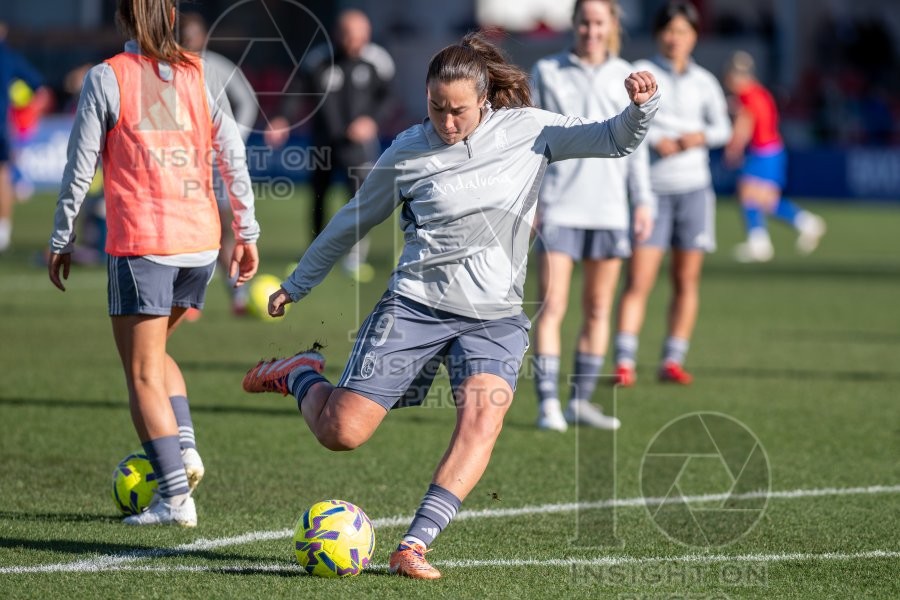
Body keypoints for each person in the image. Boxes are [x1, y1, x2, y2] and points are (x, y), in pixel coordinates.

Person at [242, 32, 658, 579]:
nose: (446, 121)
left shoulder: (529, 130)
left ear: (485, 100)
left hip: (496, 317)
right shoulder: (408, 151)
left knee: (482, 419)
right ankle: (300, 375)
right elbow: (351, 222)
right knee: (341, 433)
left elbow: (613, 140)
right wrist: (297, 284)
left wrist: (641, 107)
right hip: (415, 305)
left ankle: (413, 544)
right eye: (436, 108)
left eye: (458, 111)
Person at [48, 0, 260, 527]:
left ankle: (173, 499)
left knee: (140, 373)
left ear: (122, 18)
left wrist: (61, 235)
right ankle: (182, 451)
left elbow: (80, 164)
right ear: (171, 17)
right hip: (200, 242)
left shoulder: (108, 76)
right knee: (156, 354)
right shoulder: (199, 72)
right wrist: (247, 230)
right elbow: (232, 152)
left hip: (144, 241)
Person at [530, 0, 655, 432]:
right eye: (584, 21)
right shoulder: (547, 71)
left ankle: (578, 402)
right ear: (574, 24)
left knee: (599, 308)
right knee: (552, 305)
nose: (591, 29)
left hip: (609, 208)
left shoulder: (629, 72)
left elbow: (637, 143)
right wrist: (530, 203)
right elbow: (533, 141)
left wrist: (643, 201)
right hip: (560, 204)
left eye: (599, 22)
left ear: (612, 25)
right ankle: (547, 402)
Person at [612, 1, 731, 387]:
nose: (674, 38)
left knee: (686, 280)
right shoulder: (643, 76)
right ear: (658, 34)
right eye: (668, 30)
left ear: (694, 36)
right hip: (654, 192)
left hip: (694, 191)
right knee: (639, 279)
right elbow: (625, 127)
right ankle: (625, 361)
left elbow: (723, 130)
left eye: (682, 31)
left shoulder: (704, 81)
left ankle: (672, 359)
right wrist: (657, 141)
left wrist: (699, 137)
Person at [265, 9, 393, 282]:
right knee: (319, 198)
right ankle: (315, 255)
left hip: (357, 146)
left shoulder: (378, 62)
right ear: (339, 34)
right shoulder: (318, 61)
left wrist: (371, 120)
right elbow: (297, 92)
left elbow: (387, 98)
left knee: (359, 199)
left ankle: (355, 256)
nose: (356, 41)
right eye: (350, 35)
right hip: (324, 143)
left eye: (362, 36)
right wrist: (281, 118)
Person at [180, 11, 261, 316]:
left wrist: (232, 138)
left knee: (223, 229)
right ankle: (187, 299)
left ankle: (238, 295)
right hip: (183, 161)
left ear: (203, 37)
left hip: (216, 163)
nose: (188, 42)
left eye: (193, 36)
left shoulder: (216, 66)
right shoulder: (169, 67)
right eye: (183, 37)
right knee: (190, 228)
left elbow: (247, 100)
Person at [724, 51, 826, 263]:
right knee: (764, 200)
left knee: (748, 194)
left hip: (764, 151)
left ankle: (759, 242)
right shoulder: (760, 92)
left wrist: (734, 147)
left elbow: (746, 123)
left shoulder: (747, 96)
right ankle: (805, 223)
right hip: (772, 149)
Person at [0, 22, 49, 253]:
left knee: (3, 173)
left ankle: (3, 231)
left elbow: (39, 89)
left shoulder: (7, 56)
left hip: (3, 125)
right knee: (4, 173)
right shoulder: (8, 56)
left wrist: (27, 118)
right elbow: (41, 90)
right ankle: (3, 230)